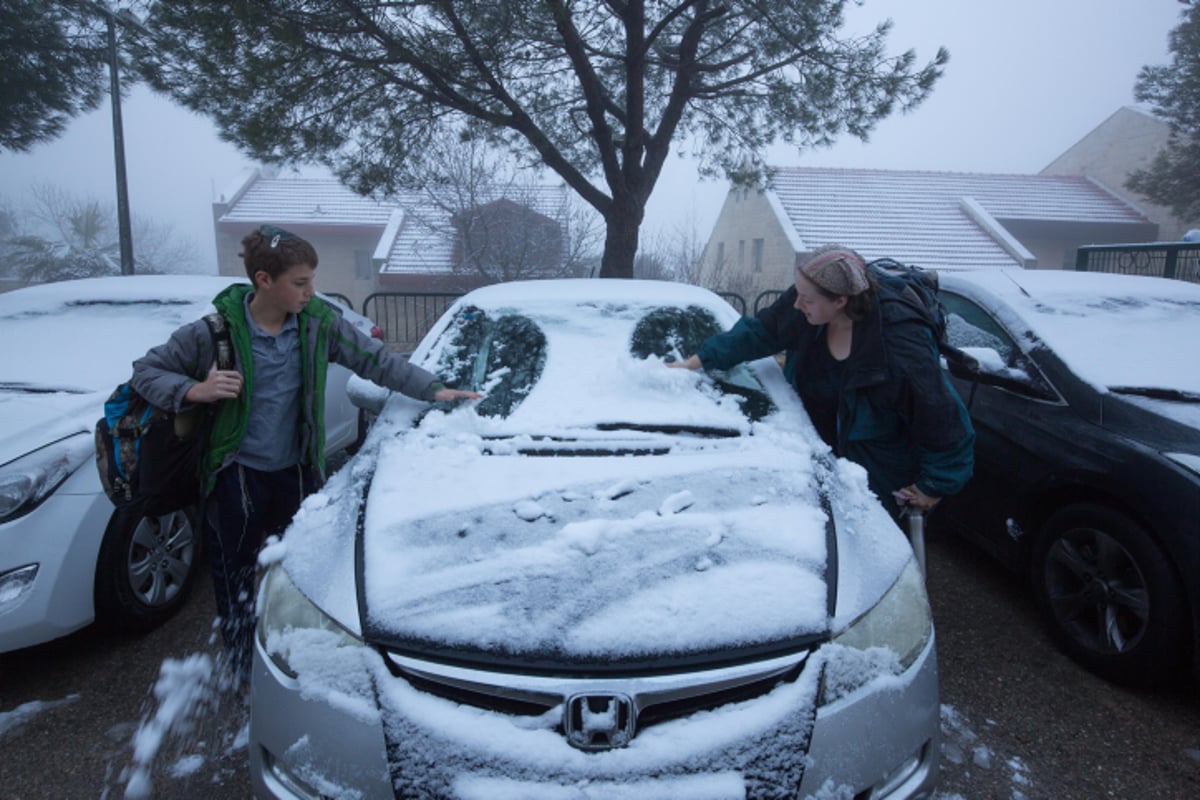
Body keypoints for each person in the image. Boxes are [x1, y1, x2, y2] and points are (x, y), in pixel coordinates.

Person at [130, 224, 480, 685]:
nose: (311, 292)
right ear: (264, 280)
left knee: (299, 573)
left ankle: (291, 665)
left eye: (312, 280)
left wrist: (433, 389)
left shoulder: (318, 323)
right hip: (235, 475)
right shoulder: (214, 333)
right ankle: (243, 670)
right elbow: (146, 371)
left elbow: (375, 360)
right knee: (234, 579)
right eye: (300, 283)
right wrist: (195, 389)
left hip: (295, 473)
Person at [670, 244, 973, 517]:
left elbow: (943, 418)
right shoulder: (807, 307)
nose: (797, 305)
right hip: (816, 452)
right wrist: (698, 361)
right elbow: (761, 331)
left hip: (877, 468)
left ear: (841, 300)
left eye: (806, 299)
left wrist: (934, 486)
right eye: (797, 294)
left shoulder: (899, 348)